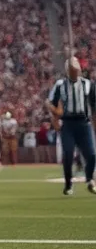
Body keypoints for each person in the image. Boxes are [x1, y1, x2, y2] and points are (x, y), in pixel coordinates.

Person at [46, 57, 96, 196]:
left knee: (91, 154)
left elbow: (94, 105)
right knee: (68, 154)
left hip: (84, 123)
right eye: (72, 71)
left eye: (76, 70)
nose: (75, 73)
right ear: (68, 71)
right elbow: (51, 103)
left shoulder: (88, 84)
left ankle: (90, 180)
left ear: (79, 70)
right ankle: (68, 183)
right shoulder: (60, 85)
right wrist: (54, 118)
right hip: (68, 124)